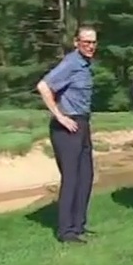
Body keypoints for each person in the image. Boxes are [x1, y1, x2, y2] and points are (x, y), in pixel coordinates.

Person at [35, 26, 98, 244]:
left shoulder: (85, 65)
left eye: (93, 42)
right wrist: (60, 116)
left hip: (82, 124)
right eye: (86, 42)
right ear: (76, 42)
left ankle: (78, 225)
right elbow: (43, 86)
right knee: (71, 178)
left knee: (86, 176)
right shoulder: (71, 63)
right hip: (66, 128)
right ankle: (65, 231)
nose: (90, 46)